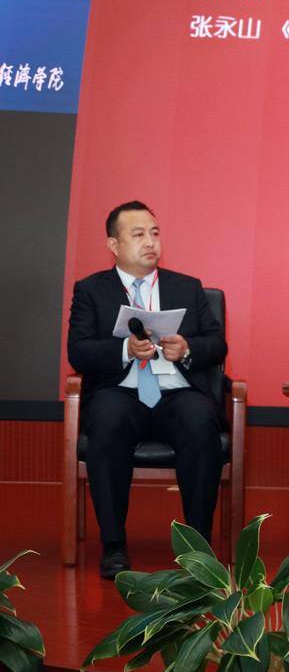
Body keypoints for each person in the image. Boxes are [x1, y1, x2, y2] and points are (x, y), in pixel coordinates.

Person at [67, 201, 229, 577]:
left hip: (176, 391)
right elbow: (79, 351)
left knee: (200, 419)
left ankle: (198, 548)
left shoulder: (187, 287)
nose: (150, 241)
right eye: (138, 234)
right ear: (114, 244)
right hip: (120, 391)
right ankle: (113, 545)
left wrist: (186, 348)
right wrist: (124, 349)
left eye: (154, 233)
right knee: (107, 420)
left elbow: (217, 345)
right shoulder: (91, 290)